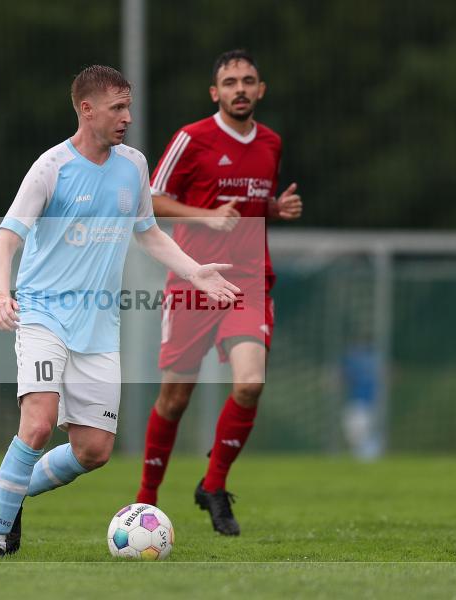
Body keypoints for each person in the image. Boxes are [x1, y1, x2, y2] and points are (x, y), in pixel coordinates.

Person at [0, 65, 240, 557]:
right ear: (87, 109)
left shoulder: (133, 165)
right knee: (37, 424)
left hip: (99, 326)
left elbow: (148, 232)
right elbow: (5, 241)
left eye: (129, 106)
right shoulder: (50, 167)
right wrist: (0, 295)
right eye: (118, 107)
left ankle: (8, 491)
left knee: (94, 451)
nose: (128, 117)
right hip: (43, 316)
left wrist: (195, 272)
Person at [134, 50, 303, 536]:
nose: (240, 89)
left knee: (250, 384)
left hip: (248, 282)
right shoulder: (192, 139)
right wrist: (202, 215)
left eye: (248, 80)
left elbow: (248, 206)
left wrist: (274, 208)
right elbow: (152, 200)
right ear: (216, 93)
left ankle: (214, 485)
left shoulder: (270, 142)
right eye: (230, 82)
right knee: (174, 398)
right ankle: (145, 502)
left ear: (261, 89)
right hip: (194, 281)